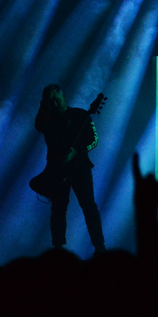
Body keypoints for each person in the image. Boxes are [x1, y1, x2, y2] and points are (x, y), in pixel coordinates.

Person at [33, 84, 106, 253]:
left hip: (80, 168)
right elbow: (39, 125)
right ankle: (58, 248)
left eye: (57, 100)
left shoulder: (80, 115)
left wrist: (77, 151)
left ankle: (100, 247)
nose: (56, 104)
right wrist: (44, 104)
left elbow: (94, 140)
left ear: (64, 98)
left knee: (89, 206)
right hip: (57, 170)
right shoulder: (47, 119)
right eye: (52, 102)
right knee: (58, 209)